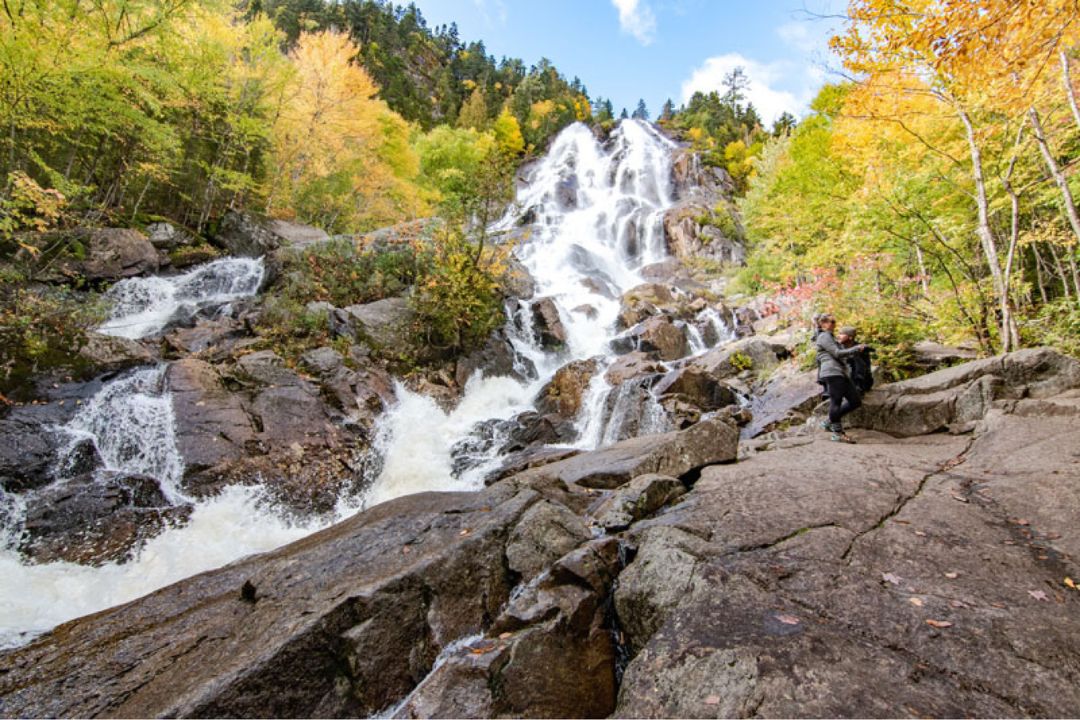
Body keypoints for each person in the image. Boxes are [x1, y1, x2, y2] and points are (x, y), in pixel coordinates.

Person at [814, 314, 867, 443]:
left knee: (855, 401)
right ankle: (837, 433)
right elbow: (836, 353)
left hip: (840, 372)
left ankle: (830, 421)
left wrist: (858, 350)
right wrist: (855, 348)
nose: (834, 324)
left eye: (834, 321)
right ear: (823, 324)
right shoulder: (824, 336)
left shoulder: (830, 337)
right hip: (832, 372)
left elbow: (842, 355)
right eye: (832, 322)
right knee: (836, 401)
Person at [837, 326, 874, 394]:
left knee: (855, 355)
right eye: (838, 334)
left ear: (850, 337)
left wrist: (865, 347)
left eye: (841, 334)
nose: (838, 336)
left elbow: (872, 349)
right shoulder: (838, 348)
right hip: (846, 381)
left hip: (864, 382)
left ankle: (858, 385)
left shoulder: (859, 346)